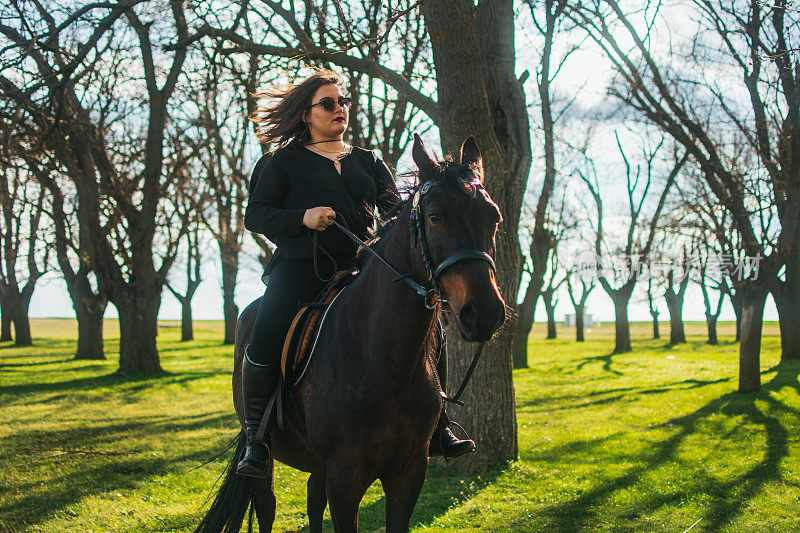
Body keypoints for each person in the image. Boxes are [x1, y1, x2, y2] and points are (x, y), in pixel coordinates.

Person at [237, 69, 474, 478]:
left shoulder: (368, 161)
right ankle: (255, 441)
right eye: (328, 104)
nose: (338, 110)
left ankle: (439, 428)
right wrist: (303, 217)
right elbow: (255, 215)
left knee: (430, 325)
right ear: (307, 114)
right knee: (266, 329)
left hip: (365, 270)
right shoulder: (282, 161)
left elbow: (395, 215)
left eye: (343, 102)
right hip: (301, 271)